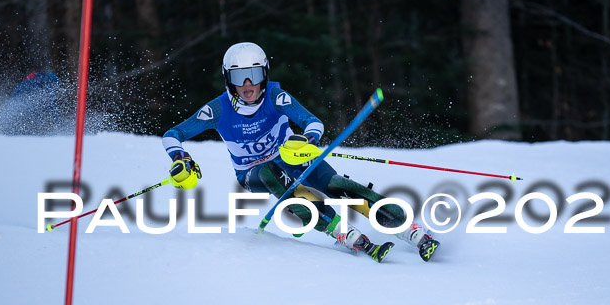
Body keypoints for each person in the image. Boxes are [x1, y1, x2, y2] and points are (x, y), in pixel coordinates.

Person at [162, 42, 439, 262]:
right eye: (239, 77)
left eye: (255, 75)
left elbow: (313, 122)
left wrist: (305, 140)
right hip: (253, 173)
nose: (248, 85)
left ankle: (411, 231)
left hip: (293, 158)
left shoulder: (274, 96)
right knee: (273, 174)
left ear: (265, 75)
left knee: (339, 186)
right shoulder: (218, 109)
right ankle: (341, 231)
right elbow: (173, 135)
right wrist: (180, 158)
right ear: (228, 78)